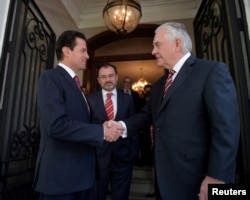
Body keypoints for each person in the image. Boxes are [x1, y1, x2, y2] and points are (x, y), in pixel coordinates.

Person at [115, 22, 240, 200]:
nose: (153, 51)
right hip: (164, 178)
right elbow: (146, 116)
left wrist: (217, 176)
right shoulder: (159, 85)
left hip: (198, 179)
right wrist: (119, 126)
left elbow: (226, 128)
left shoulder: (211, 71)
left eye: (157, 45)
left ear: (177, 43)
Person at [33, 30, 122, 200]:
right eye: (83, 50)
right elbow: (56, 125)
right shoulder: (51, 78)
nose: (87, 56)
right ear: (67, 51)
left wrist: (102, 127)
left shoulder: (76, 84)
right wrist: (100, 132)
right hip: (61, 179)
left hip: (82, 178)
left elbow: (79, 123)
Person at [87, 63, 139, 200]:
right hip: (98, 158)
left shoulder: (128, 100)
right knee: (97, 196)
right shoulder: (90, 100)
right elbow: (86, 127)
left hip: (123, 157)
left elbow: (134, 126)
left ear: (116, 77)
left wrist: (132, 152)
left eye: (110, 76)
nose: (107, 80)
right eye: (103, 77)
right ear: (98, 80)